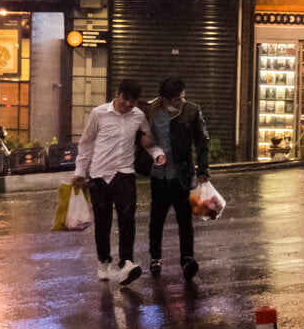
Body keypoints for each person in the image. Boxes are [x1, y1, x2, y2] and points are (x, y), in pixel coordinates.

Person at [72, 79, 165, 286]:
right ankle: (103, 262)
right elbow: (86, 143)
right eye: (125, 100)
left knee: (127, 220)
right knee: (103, 222)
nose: (128, 105)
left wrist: (157, 153)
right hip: (99, 175)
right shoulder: (99, 113)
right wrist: (80, 170)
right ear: (117, 94)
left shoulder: (139, 116)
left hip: (125, 174)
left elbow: (147, 141)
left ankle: (126, 264)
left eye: (132, 102)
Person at [141, 77, 210, 281]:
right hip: (159, 175)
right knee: (156, 219)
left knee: (185, 220)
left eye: (182, 96)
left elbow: (202, 140)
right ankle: (155, 258)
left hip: (182, 174)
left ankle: (187, 259)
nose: (182, 100)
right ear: (165, 98)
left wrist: (203, 170)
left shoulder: (192, 110)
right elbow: (141, 137)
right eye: (177, 98)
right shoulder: (151, 110)